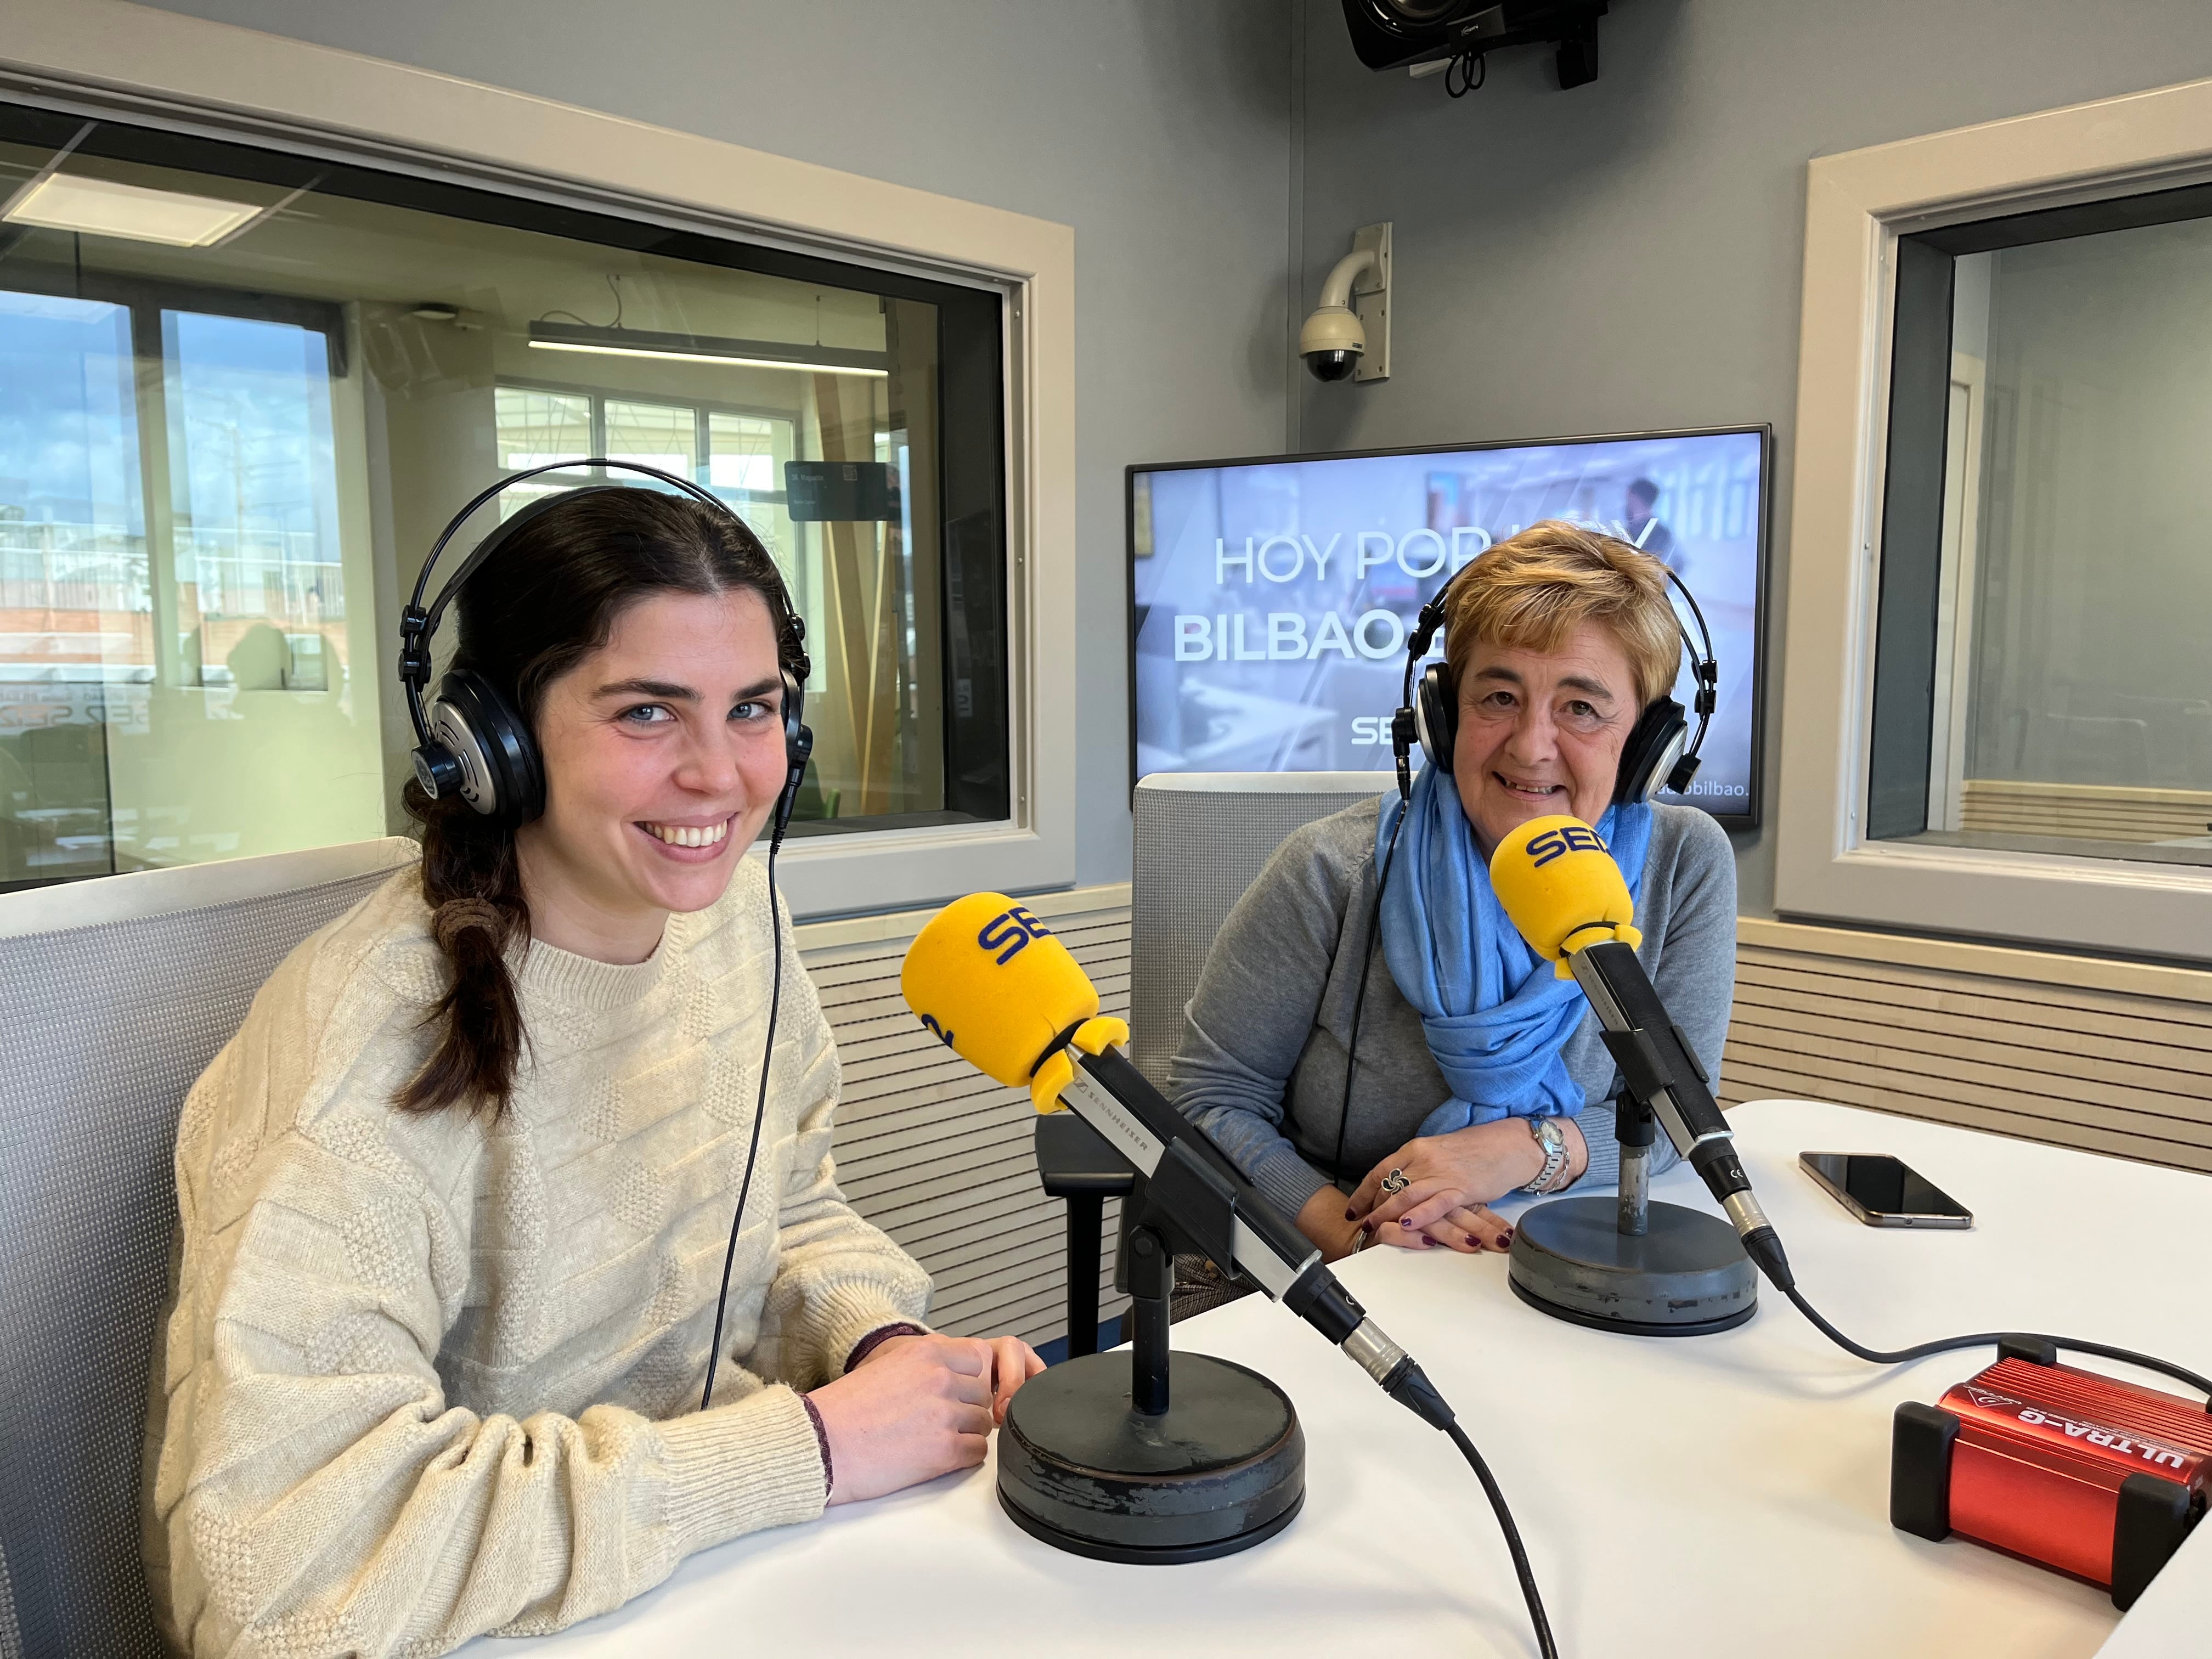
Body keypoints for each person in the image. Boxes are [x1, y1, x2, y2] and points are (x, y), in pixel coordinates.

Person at [145, 487, 1042, 1656]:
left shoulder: (735, 922)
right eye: (647, 714)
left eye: (754, 709)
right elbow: (280, 1573)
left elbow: (790, 1204)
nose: (720, 776)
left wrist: (878, 1346)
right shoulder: (357, 1052)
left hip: (705, 1573)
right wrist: (808, 1448)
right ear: (494, 741)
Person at [1168, 521, 1734, 1265]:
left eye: (1581, 708)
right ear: (1442, 714)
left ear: (1646, 745)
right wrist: (1360, 1230)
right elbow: (1208, 1104)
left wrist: (1514, 1150)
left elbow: (1673, 1116)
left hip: (1566, 1253)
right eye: (1499, 696)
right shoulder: (1329, 872)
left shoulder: (1684, 864)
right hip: (1330, 1261)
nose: (1531, 746)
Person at [1622, 477, 1685, 573]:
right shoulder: (1628, 531)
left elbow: (1676, 566)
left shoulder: (1661, 535)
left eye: (1629, 500)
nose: (1626, 505)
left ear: (1637, 500)